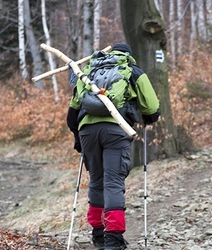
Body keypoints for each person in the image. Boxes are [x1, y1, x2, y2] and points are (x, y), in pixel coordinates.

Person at [66, 43, 160, 249]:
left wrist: (78, 137)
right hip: (116, 130)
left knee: (97, 180)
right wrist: (145, 115)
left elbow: (72, 112)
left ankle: (98, 234)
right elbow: (152, 108)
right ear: (128, 55)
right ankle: (114, 239)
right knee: (113, 182)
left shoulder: (89, 70)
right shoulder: (133, 71)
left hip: (87, 132)